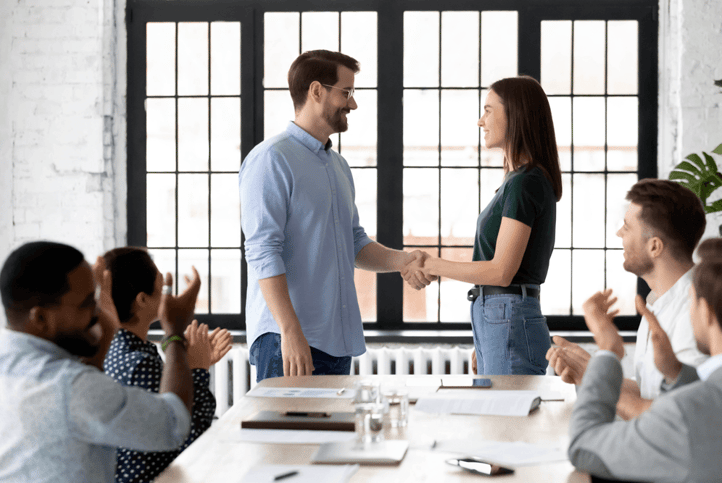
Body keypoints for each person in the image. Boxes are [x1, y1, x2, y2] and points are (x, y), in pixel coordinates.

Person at [240, 50, 432, 382]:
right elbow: (262, 251)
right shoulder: (271, 159)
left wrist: (405, 260)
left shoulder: (338, 166)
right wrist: (290, 331)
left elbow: (355, 244)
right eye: (346, 92)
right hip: (287, 341)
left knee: (331, 436)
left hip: (335, 344)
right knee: (286, 435)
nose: (352, 104)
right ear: (317, 91)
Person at [0, 241, 199, 483]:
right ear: (40, 317)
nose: (97, 311)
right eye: (86, 303)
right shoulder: (71, 386)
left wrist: (107, 322)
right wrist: (174, 333)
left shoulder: (13, 367)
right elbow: (172, 424)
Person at [402, 76, 562, 375]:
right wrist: (486, 335)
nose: (480, 121)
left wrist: (432, 264)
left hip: (507, 314)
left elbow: (501, 271)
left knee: (508, 418)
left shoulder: (525, 183)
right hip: (498, 315)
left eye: (488, 110)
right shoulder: (518, 181)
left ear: (515, 115)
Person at [547, 179, 708, 419]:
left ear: (654, 247)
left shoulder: (694, 311)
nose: (619, 233)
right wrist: (594, 370)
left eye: (627, 226)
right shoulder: (657, 304)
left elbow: (678, 418)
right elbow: (648, 393)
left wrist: (594, 377)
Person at [568, 237, 722, 482]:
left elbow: (584, 448)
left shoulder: (685, 413)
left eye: (692, 299)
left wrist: (608, 351)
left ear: (707, 312)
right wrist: (676, 374)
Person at [101, 247, 232, 483]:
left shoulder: (115, 350)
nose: (169, 298)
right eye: (162, 289)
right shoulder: (139, 364)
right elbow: (189, 438)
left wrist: (195, 363)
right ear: (142, 299)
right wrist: (198, 371)